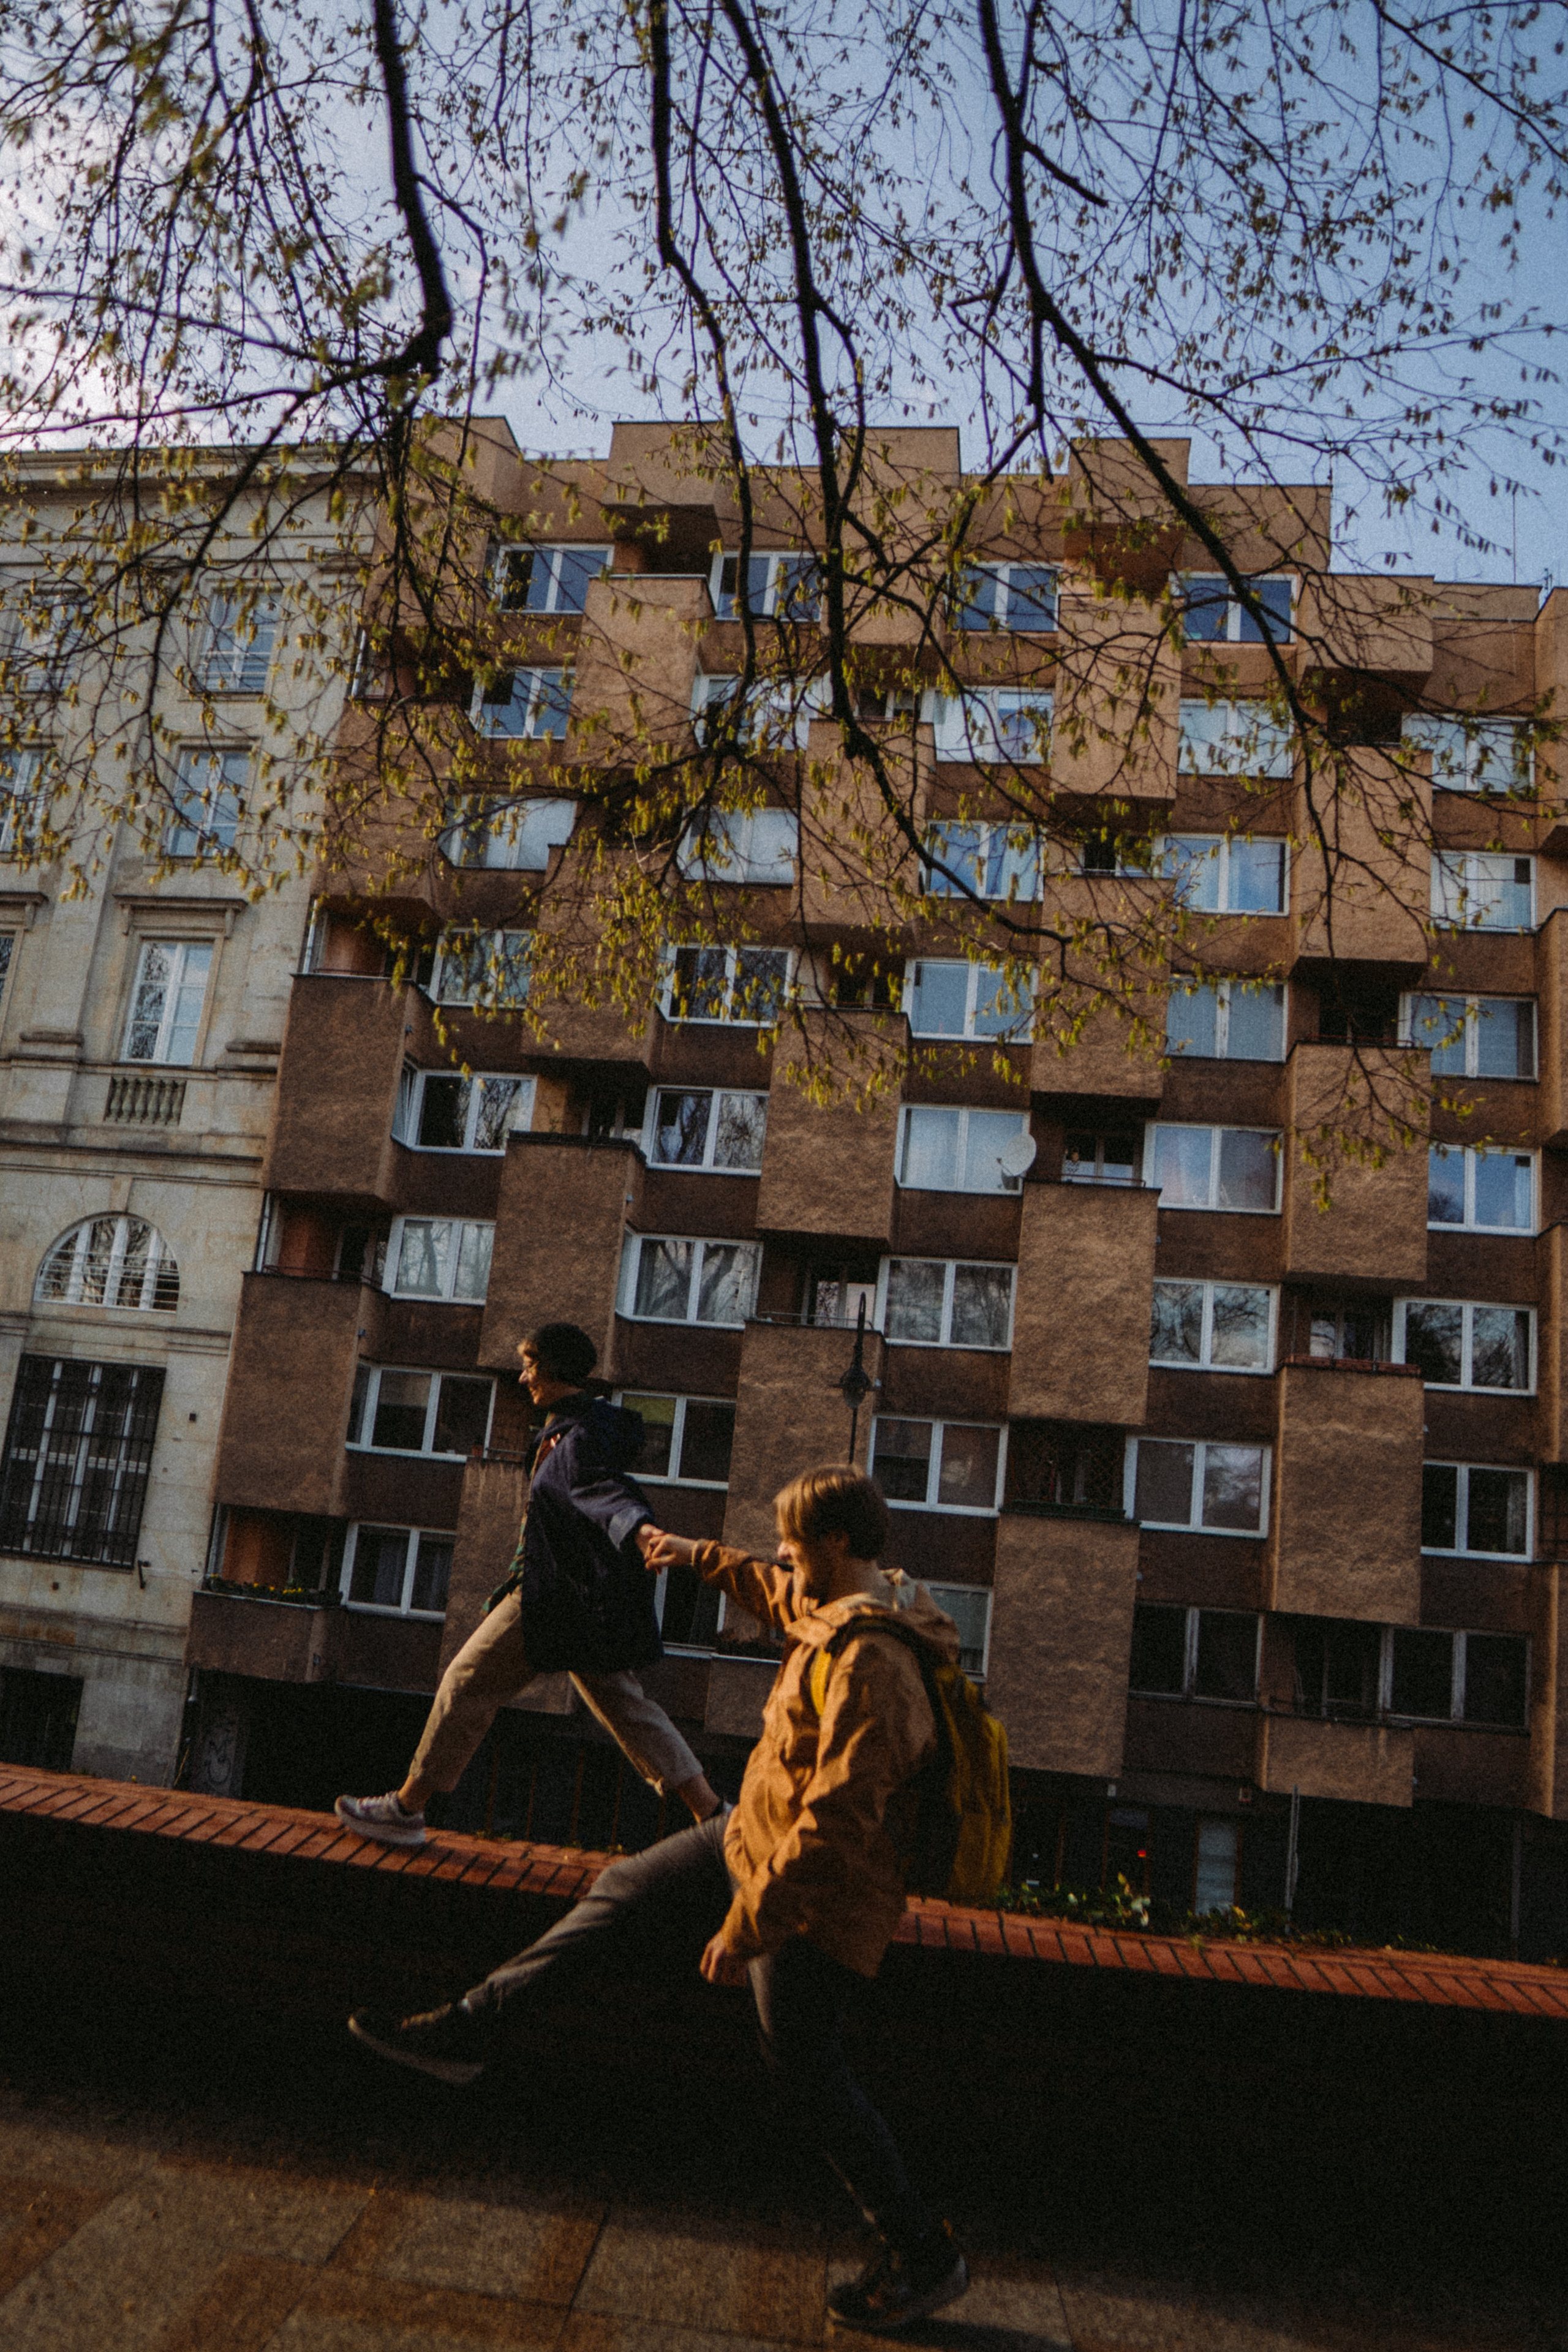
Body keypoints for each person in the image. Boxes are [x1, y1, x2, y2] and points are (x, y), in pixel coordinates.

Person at [346, 1463, 970, 2335]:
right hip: (750, 1836)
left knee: (807, 2067)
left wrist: (748, 1928)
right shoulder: (842, 1604)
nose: (783, 1553)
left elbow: (837, 1823)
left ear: (835, 1545)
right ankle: (471, 2030)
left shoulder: (876, 1661)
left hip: (812, 1895)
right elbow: (771, 1588)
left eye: (794, 1539)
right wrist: (690, 1554)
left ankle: (921, 2249)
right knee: (624, 1889)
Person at [334, 1321, 721, 1845]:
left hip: (550, 1594)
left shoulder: (577, 1438)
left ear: (555, 1369)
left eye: (530, 1366)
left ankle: (406, 1809)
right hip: (583, 1600)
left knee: (466, 1682)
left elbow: (603, 1491)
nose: (523, 1379)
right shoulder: (573, 1428)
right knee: (629, 1708)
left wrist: (641, 1529)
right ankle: (715, 1815)